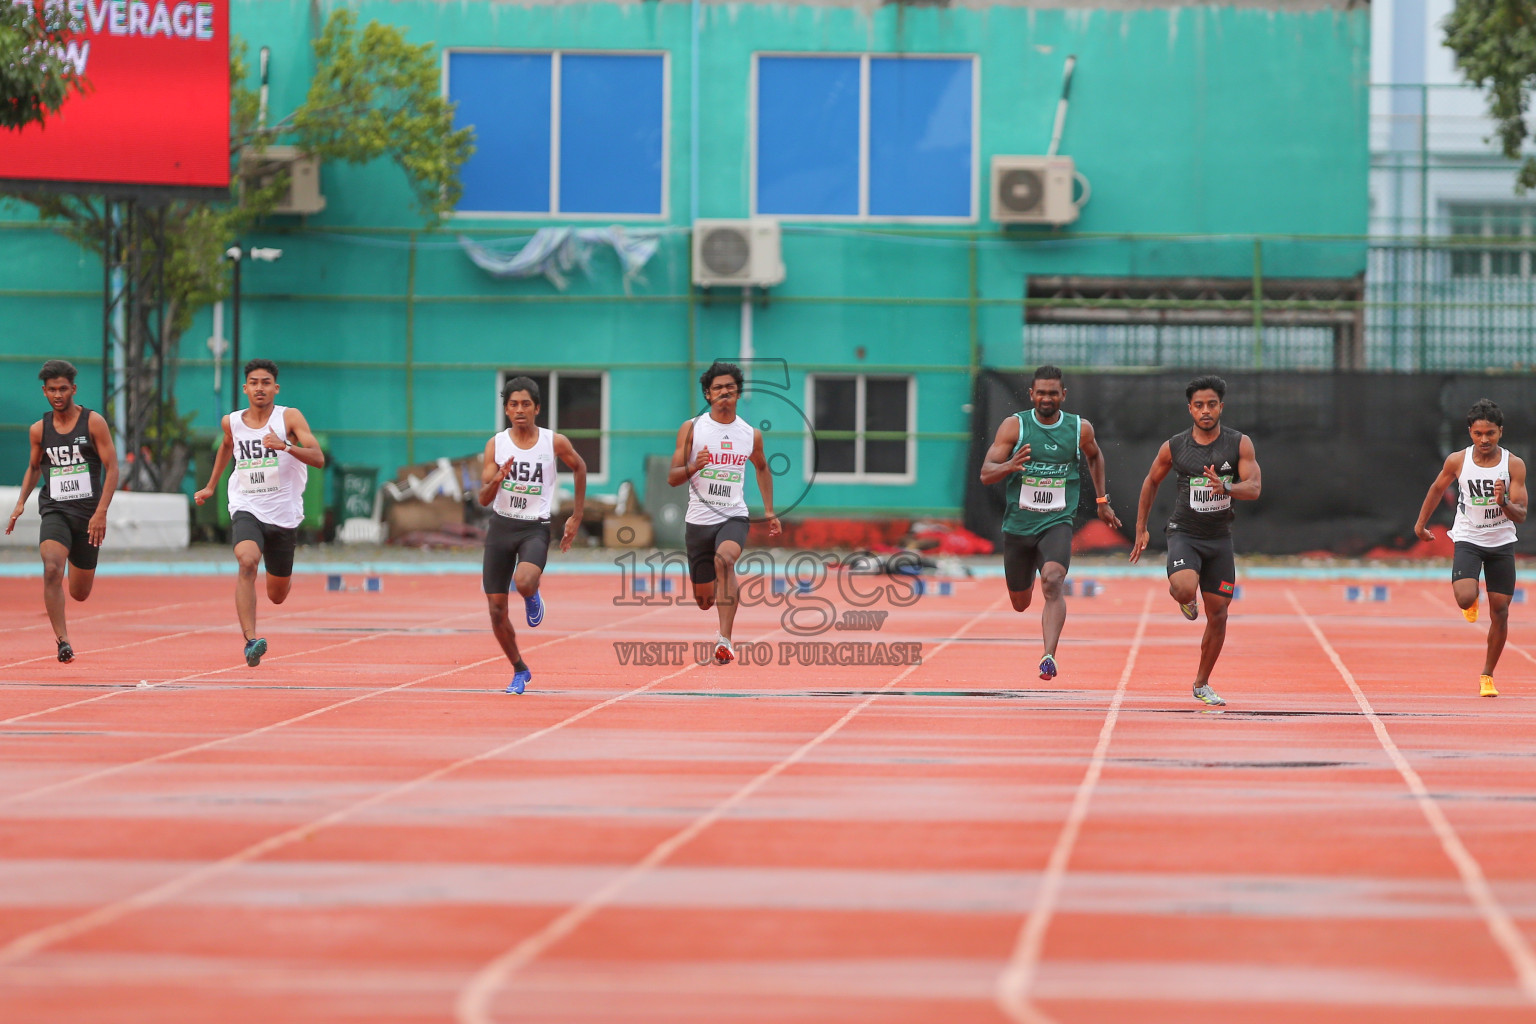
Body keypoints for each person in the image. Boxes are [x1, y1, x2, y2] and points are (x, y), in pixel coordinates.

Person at [979, 365, 1121, 681]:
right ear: (1031, 394)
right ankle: (1025, 582)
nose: (1046, 398)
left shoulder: (1078, 429)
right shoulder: (1013, 427)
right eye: (1040, 392)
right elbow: (986, 473)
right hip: (1018, 526)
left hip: (1057, 520)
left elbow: (1095, 456)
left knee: (1053, 580)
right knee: (1020, 602)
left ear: (1063, 395)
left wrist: (1101, 501)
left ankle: (1048, 655)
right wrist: (1009, 465)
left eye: (1052, 393)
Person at [1130, 374, 1262, 707]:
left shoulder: (1238, 444)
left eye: (1212, 404)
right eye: (1199, 405)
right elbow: (1150, 482)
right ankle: (1184, 598)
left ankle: (1202, 683)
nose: (1206, 411)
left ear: (1221, 407)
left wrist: (1227, 488)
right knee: (1186, 588)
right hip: (1184, 533)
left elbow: (1255, 488)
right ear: (1190, 409)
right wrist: (1141, 528)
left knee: (1218, 614)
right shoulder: (1175, 447)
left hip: (1219, 539)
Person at [194, 359, 324, 667]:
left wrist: (285, 447)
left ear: (275, 388)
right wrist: (211, 486)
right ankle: (251, 641)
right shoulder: (232, 421)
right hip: (246, 506)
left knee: (277, 595)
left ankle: (281, 574)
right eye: (253, 383)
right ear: (245, 388)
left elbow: (318, 457)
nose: (259, 388)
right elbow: (227, 446)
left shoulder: (288, 417)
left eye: (266, 382)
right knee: (247, 561)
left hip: (283, 514)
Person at [477, 376, 587, 695]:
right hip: (501, 526)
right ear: (506, 410)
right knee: (496, 611)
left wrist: (576, 516)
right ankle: (519, 669)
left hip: (533, 527)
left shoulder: (553, 442)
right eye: (513, 405)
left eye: (526, 404)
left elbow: (579, 467)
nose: (520, 410)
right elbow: (483, 498)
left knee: (523, 581)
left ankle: (532, 592)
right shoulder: (496, 445)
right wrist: (498, 478)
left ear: (537, 408)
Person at [668, 360, 782, 664]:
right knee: (704, 600)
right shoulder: (692, 428)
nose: (724, 392)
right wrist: (695, 465)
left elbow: (762, 467)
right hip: (698, 521)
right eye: (718, 388)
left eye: (730, 387)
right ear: (708, 394)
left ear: (738, 393)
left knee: (726, 560)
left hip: (733, 516)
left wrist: (769, 510)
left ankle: (725, 640)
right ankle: (715, 607)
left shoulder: (750, 434)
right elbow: (673, 477)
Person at [5, 360, 119, 662]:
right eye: (52, 390)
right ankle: (62, 641)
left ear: (74, 389)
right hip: (54, 510)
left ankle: (77, 559)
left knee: (80, 593)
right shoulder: (38, 430)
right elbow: (32, 467)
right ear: (44, 392)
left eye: (63, 389)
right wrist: (20, 503)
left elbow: (112, 467)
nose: (58, 395)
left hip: (87, 515)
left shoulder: (93, 422)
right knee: (52, 567)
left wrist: (101, 512)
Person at [1413, 399, 1527, 697]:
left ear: (1500, 432)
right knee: (1465, 598)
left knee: (1500, 611)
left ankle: (1487, 675)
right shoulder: (1458, 461)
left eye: (1490, 433)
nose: (1484, 439)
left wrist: (1503, 502)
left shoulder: (1513, 465)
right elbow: (1437, 488)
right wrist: (1421, 524)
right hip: (1469, 538)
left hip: (1501, 542)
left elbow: (1522, 514)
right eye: (1478, 434)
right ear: (1470, 433)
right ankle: (1471, 597)